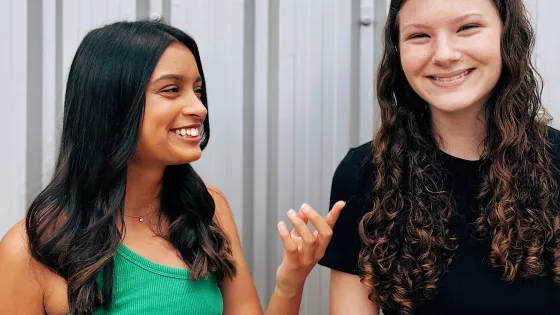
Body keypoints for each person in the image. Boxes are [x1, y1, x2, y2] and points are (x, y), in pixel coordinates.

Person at [0, 21, 345, 315]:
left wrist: (291, 280)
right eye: (171, 89)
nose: (199, 107)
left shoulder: (208, 209)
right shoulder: (30, 249)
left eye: (197, 90)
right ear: (113, 106)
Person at [319, 0, 560, 314]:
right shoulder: (364, 173)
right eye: (419, 36)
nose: (444, 54)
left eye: (467, 28)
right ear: (398, 50)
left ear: (506, 34)